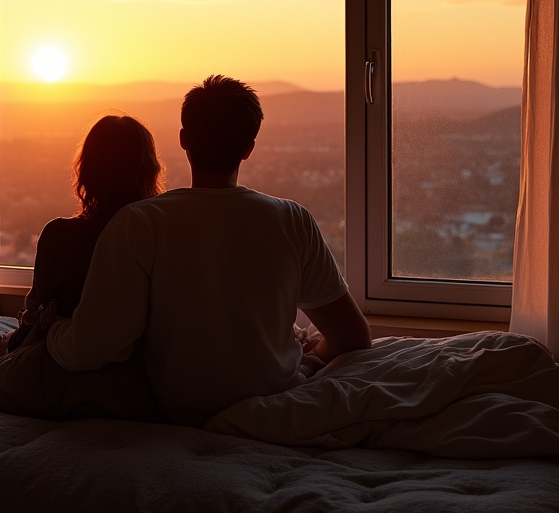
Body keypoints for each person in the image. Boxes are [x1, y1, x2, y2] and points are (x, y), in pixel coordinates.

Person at [46, 74, 373, 426]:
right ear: (249, 147)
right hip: (278, 402)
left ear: (184, 139)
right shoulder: (292, 219)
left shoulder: (140, 222)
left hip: (181, 413)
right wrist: (307, 362)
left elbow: (93, 346)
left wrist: (50, 331)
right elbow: (352, 336)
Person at [0, 113, 164, 420]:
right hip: (134, 386)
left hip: (58, 377)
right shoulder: (159, 237)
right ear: (148, 171)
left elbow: (35, 322)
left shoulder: (60, 236)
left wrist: (12, 343)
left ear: (87, 170)